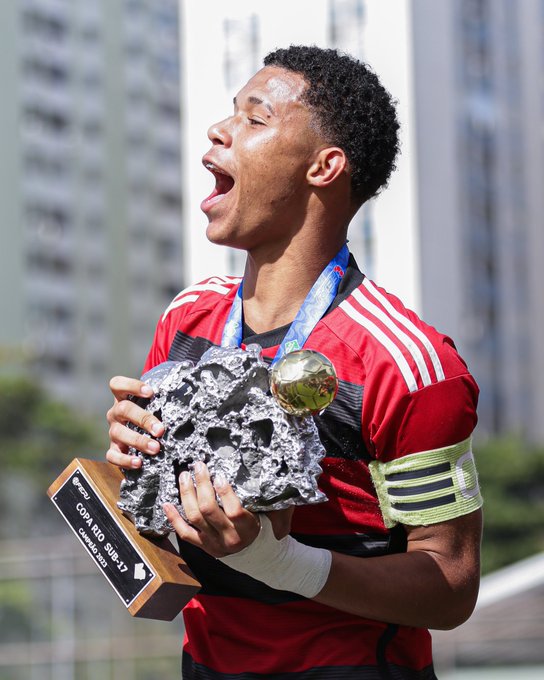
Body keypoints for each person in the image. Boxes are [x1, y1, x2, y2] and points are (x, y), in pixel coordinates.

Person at [106, 46, 483, 679]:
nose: (218, 132)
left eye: (254, 120)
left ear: (324, 166)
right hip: (202, 665)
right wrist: (128, 462)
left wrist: (281, 562)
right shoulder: (188, 318)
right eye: (231, 114)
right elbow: (156, 523)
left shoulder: (408, 364)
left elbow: (450, 586)